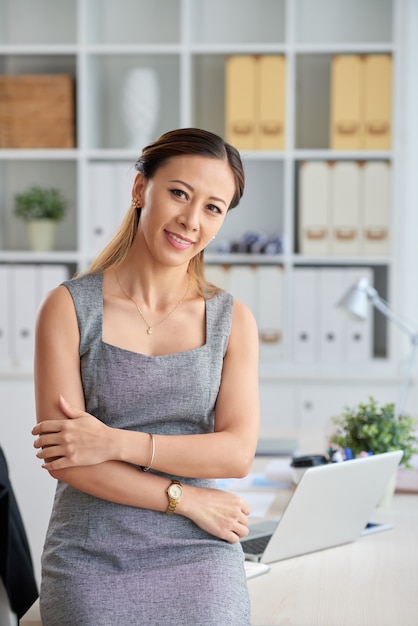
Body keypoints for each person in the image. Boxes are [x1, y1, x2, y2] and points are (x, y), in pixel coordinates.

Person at [32, 128, 260, 625]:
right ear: (141, 190)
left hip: (201, 549)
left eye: (212, 207)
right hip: (93, 553)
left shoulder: (231, 320)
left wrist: (113, 442)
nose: (190, 220)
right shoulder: (69, 309)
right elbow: (67, 460)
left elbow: (237, 452)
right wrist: (186, 497)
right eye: (179, 193)